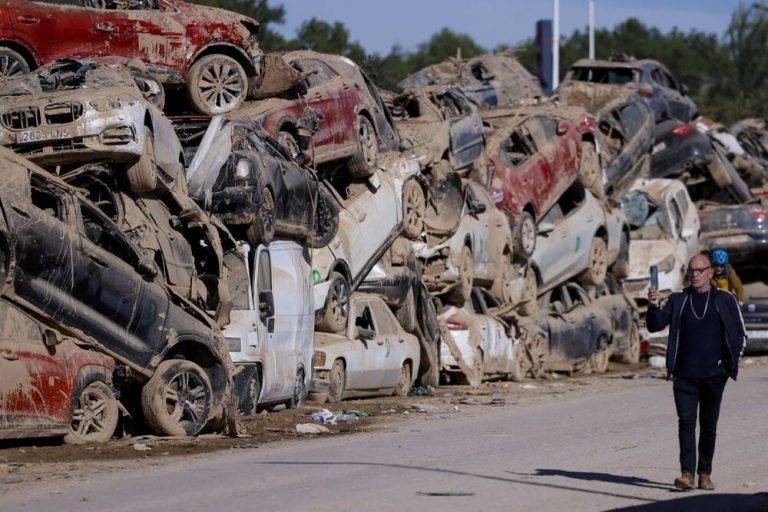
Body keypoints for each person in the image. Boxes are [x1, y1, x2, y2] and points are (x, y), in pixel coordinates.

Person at [646, 253, 746, 491]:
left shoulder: (725, 299)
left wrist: (729, 366)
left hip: (714, 375)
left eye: (700, 270)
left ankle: (705, 474)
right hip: (684, 375)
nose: (695, 275)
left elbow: (740, 333)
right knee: (686, 423)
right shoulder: (678, 300)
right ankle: (687, 475)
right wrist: (653, 306)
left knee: (708, 425)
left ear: (710, 272)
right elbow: (655, 325)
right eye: (692, 271)